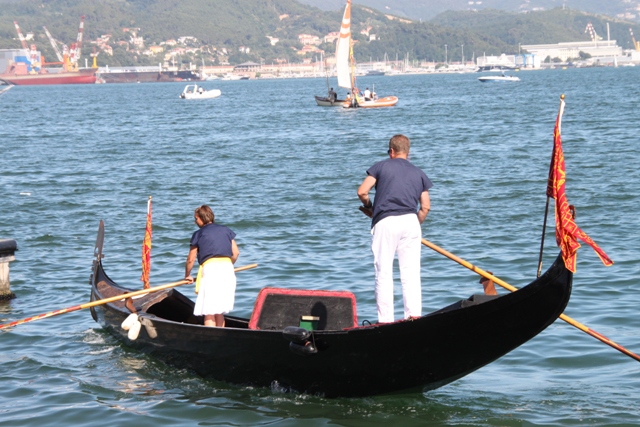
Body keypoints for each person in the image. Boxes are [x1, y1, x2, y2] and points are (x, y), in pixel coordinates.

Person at [357, 134, 433, 323]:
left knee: (383, 272)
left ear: (391, 151)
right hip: (410, 222)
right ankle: (413, 316)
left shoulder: (380, 166)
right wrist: (415, 224)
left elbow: (362, 191)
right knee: (411, 272)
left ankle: (385, 321)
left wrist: (370, 208)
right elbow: (425, 207)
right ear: (408, 153)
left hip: (386, 222)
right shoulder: (419, 173)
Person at [184, 205, 239, 327]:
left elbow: (190, 259)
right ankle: (221, 335)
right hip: (228, 269)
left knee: (209, 310)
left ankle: (211, 339)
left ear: (200, 218)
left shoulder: (198, 234)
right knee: (219, 309)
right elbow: (235, 252)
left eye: (195, 218)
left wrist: (187, 275)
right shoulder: (226, 230)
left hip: (211, 270)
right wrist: (228, 265)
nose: (195, 221)